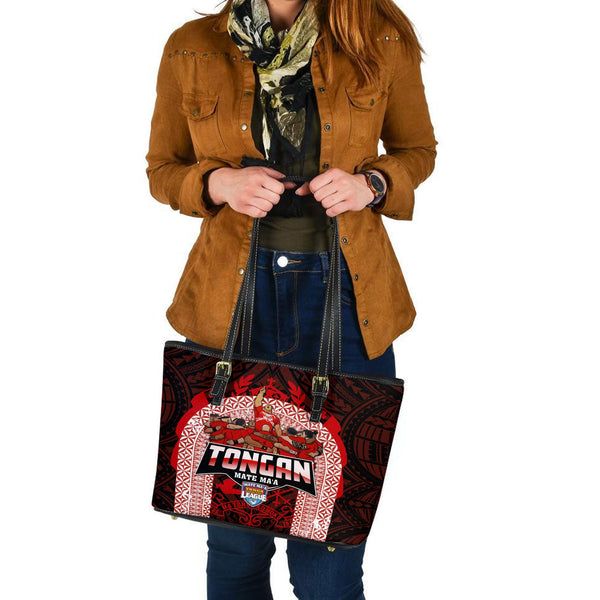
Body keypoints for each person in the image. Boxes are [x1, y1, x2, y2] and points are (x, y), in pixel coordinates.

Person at [146, 0, 437, 597]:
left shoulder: (378, 36)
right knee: (234, 538)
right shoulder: (191, 44)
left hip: (347, 299)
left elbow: (418, 150)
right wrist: (216, 182)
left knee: (329, 549)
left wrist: (371, 184)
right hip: (230, 300)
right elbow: (162, 168)